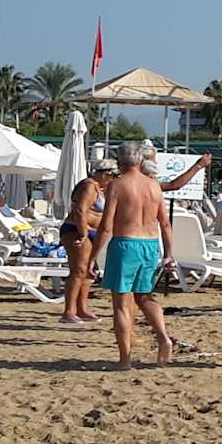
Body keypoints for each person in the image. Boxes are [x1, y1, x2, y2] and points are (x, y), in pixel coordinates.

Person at [91, 141, 175, 370]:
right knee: (144, 296)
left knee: (120, 304)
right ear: (140, 160)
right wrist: (169, 253)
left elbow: (106, 227)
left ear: (120, 160)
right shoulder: (154, 186)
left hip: (126, 244)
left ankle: (124, 359)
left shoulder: (116, 185)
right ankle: (163, 337)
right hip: (150, 244)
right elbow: (165, 223)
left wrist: (93, 257)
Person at [57, 160, 117, 324]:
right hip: (77, 230)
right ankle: (69, 311)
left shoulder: (100, 188)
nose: (113, 179)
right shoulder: (89, 186)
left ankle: (82, 308)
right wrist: (83, 233)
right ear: (104, 174)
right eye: (112, 176)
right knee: (79, 270)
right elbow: (80, 210)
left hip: (91, 232)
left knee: (89, 272)